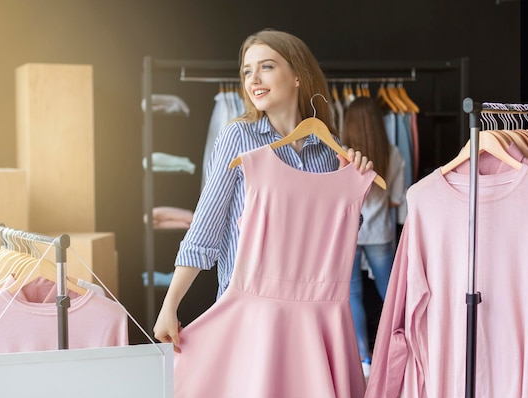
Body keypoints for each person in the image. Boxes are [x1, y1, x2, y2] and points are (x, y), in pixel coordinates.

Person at [153, 28, 375, 352]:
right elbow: (206, 228)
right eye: (247, 70)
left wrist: (351, 182)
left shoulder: (330, 150)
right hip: (247, 313)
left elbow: (340, 238)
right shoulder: (238, 137)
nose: (253, 78)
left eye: (266, 66)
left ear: (297, 75)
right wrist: (170, 304)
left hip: (308, 316)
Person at [339, 96, 406, 378]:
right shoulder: (392, 153)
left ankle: (363, 359)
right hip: (379, 233)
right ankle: (401, 347)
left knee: (351, 294)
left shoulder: (342, 156)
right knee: (391, 293)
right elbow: (395, 200)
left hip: (349, 233)